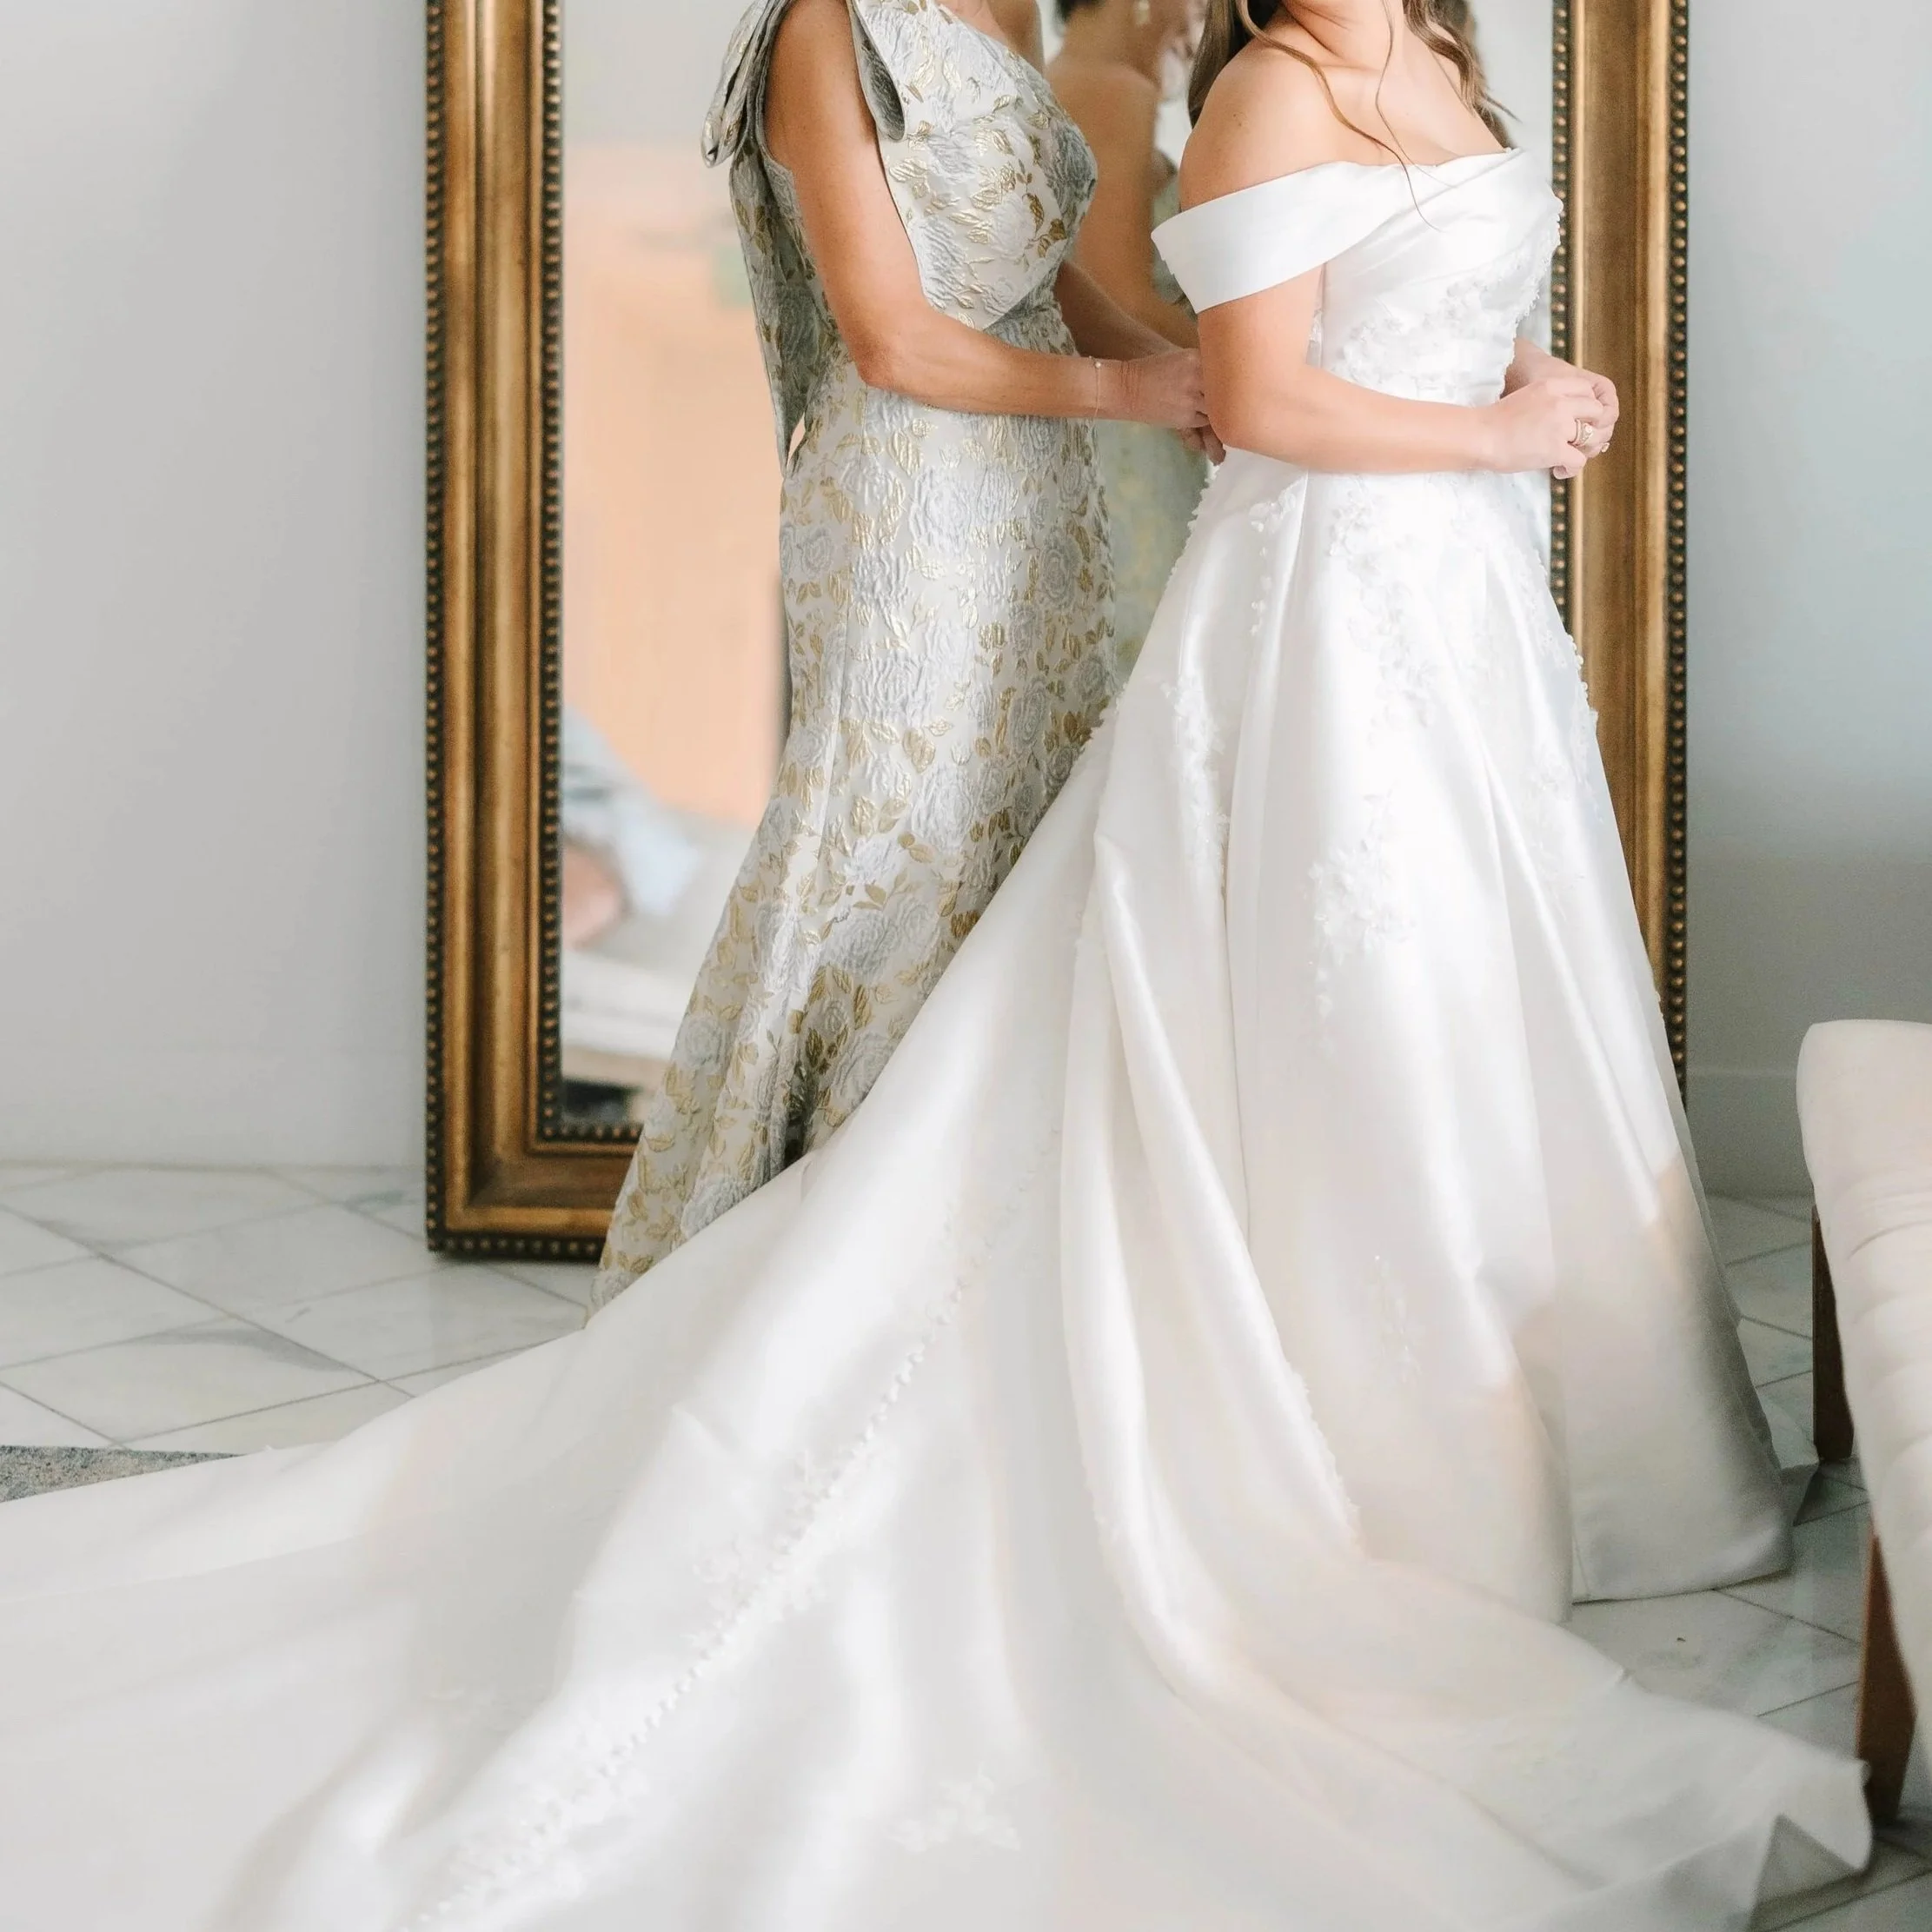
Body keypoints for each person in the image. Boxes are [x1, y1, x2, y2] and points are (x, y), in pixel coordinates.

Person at [0, 2, 1874, 1925]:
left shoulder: (1056, 28)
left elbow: (1168, 299)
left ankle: (1468, 1408)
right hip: (953, 506)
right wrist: (1272, 406)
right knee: (902, 900)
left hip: (1267, 544)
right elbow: (927, 341)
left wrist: (1366, 384)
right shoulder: (900, 39)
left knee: (1150, 939)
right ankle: (770, 1279)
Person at [594, 0, 1212, 1300]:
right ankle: (800, 1275)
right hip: (910, 507)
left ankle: (968, 1262)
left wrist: (1198, 378)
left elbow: (1039, 278)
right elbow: (891, 336)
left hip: (1041, 493)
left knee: (1004, 848)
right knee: (893, 856)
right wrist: (1137, 394)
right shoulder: (827, 24)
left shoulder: (1003, 11)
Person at [1050, 0, 1215, 672]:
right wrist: (1258, 373)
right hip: (1133, 442)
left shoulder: (1048, 81)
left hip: (1080, 429)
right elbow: (1120, 293)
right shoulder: (1118, 92)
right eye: (1198, 4)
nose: (1199, 27)